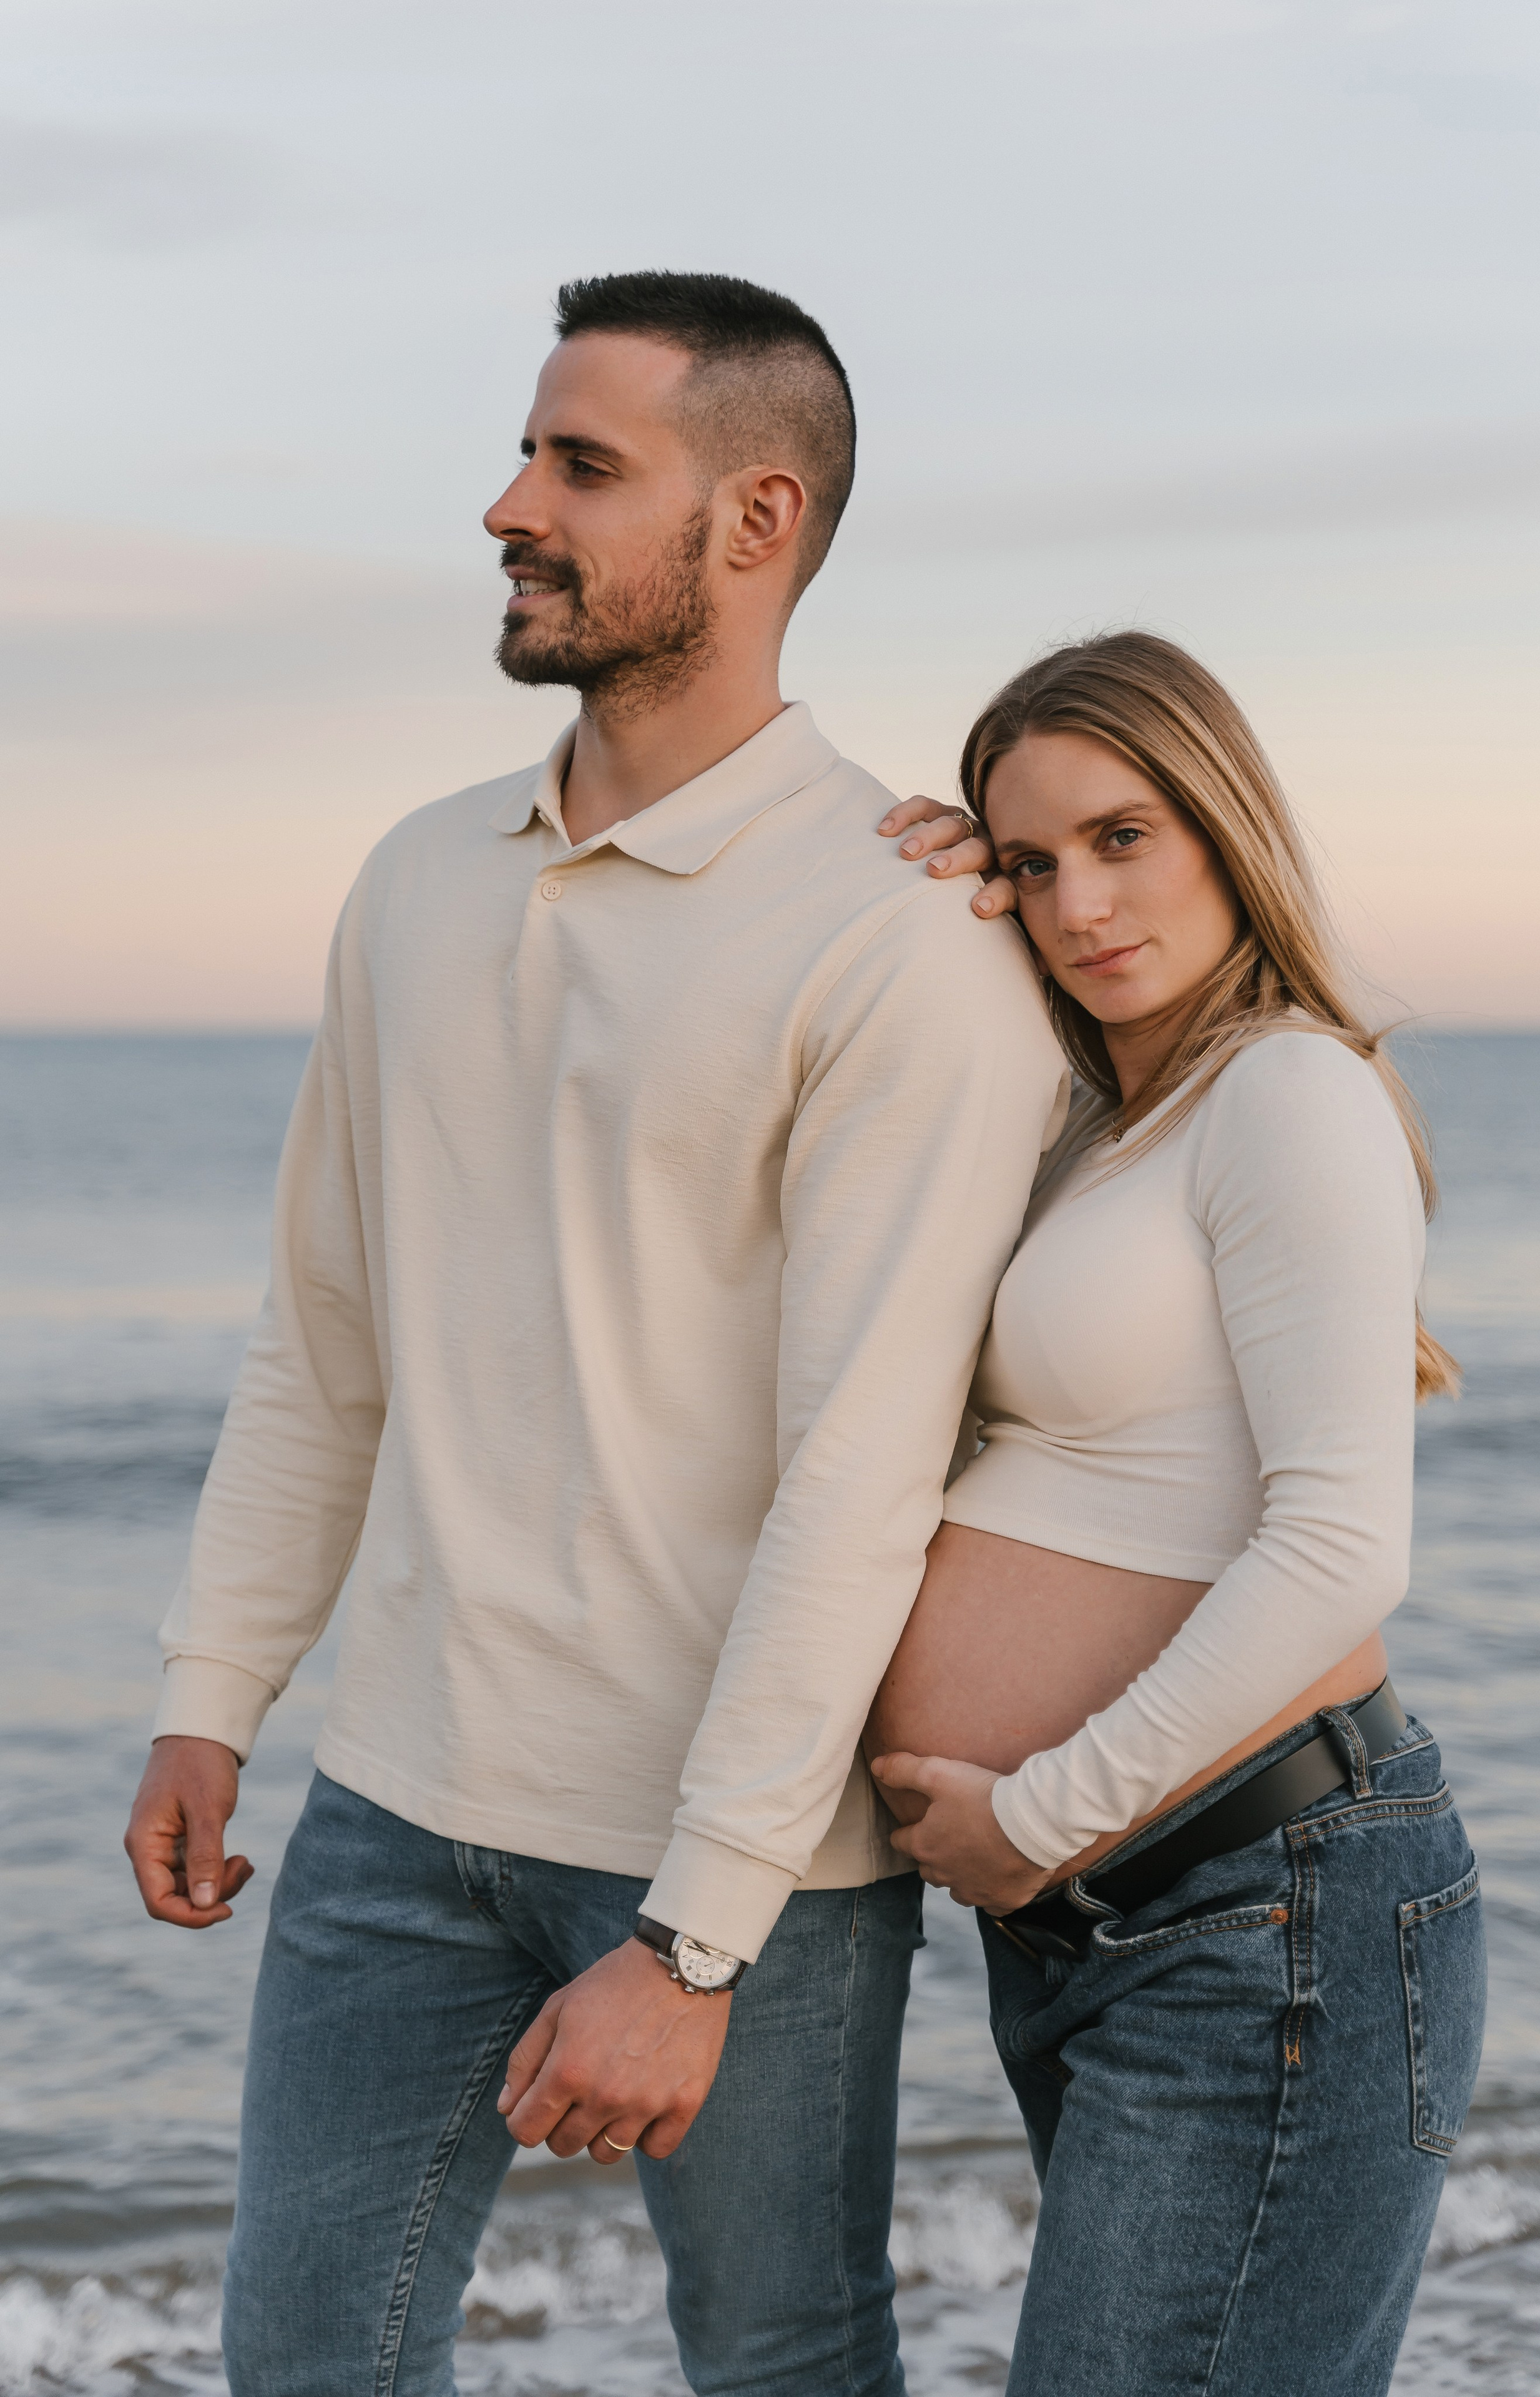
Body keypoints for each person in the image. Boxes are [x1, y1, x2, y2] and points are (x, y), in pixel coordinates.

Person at [121, 272, 1067, 2397]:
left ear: (754, 521)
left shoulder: (900, 936)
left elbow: (860, 1470)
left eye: (579, 465)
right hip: (393, 1803)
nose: (506, 505)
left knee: (782, 2362)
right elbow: (326, 1335)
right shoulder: (417, 879)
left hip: (741, 1856)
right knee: (307, 2360)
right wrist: (214, 1694)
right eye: (526, 450)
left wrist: (697, 1933)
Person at [868, 632, 1488, 2396]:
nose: (1078, 902)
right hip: (1126, 1922)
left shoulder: (1286, 1088)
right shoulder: (1110, 1125)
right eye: (1031, 861)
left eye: (1125, 836)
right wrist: (905, 888)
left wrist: (1046, 1812)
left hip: (1262, 1907)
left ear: (1225, 826)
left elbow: (1343, 1546)